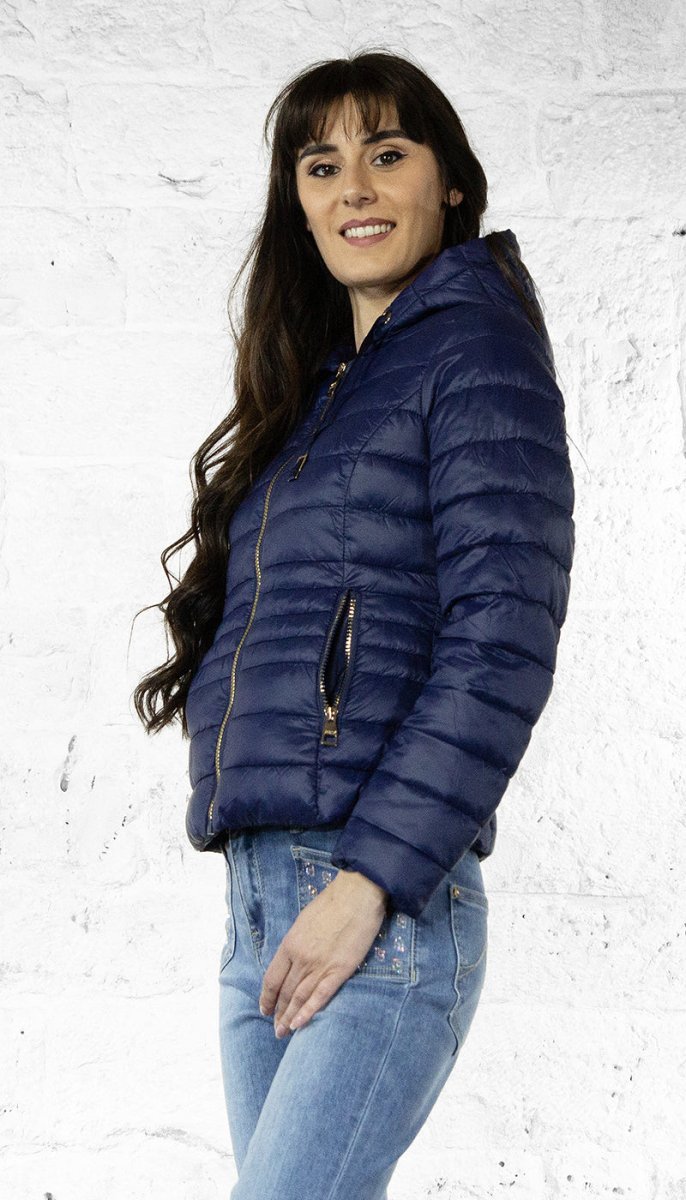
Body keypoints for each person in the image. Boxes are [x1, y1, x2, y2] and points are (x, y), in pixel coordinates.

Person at [132, 49, 575, 1200]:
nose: (354, 190)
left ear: (450, 184)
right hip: (263, 905)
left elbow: (500, 637)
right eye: (321, 166)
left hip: (370, 901)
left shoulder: (473, 351)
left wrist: (366, 884)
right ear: (297, 201)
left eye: (387, 154)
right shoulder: (324, 385)